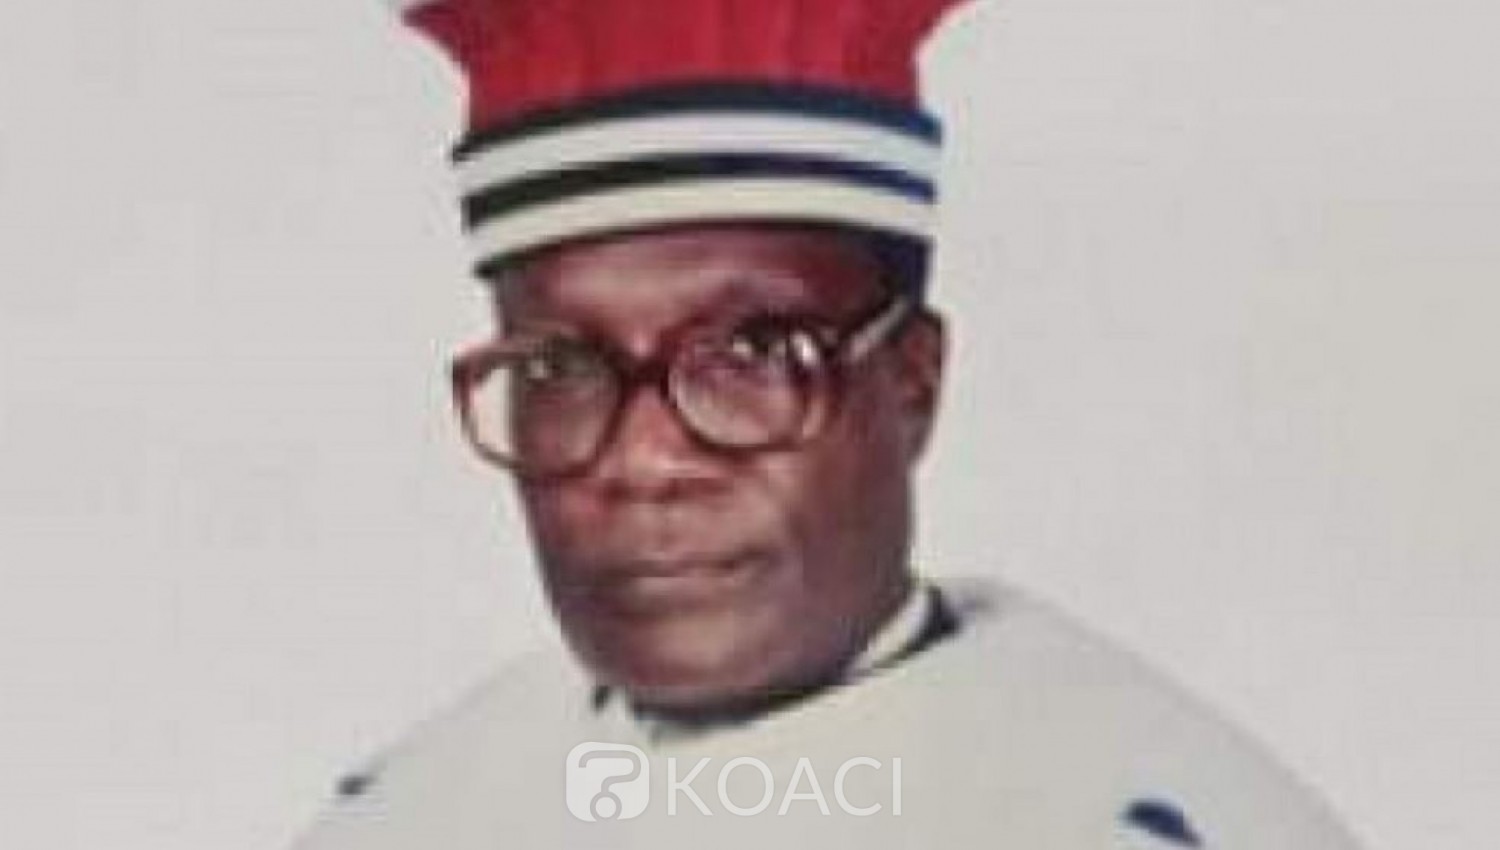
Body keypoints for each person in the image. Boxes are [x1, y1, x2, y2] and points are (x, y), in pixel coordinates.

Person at [296, 0, 1364, 847]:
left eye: (754, 354)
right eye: (559, 367)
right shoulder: (413, 816)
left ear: (912, 381)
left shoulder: (1111, 812)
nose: (644, 460)